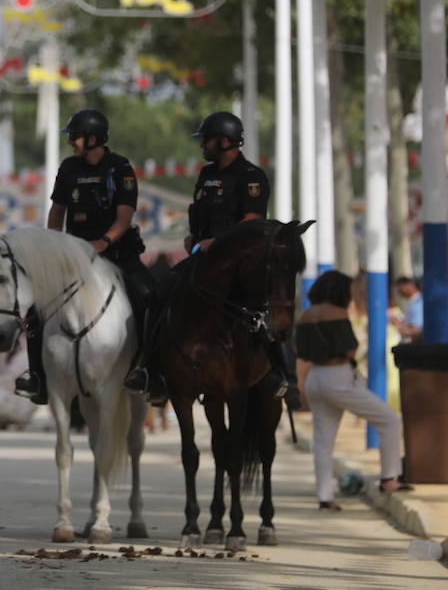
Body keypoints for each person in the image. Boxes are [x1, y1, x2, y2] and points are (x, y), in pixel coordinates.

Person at [133, 110, 286, 402]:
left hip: (240, 260)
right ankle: (150, 369)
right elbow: (199, 212)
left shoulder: (251, 176)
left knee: (271, 304)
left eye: (208, 140)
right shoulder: (207, 174)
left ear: (226, 141)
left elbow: (252, 221)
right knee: (162, 291)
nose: (203, 146)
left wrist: (216, 241)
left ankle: (283, 373)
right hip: (203, 257)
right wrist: (194, 235)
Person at [18, 108, 154, 406]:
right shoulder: (68, 168)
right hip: (73, 255)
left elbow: (125, 214)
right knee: (36, 309)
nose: (71, 143)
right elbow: (57, 210)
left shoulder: (120, 168)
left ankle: (146, 370)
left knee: (149, 296)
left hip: (117, 252)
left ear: (93, 138)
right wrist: (52, 243)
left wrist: (104, 241)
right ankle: (37, 376)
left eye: (75, 137)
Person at [296, 270, 409, 510]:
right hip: (339, 375)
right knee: (388, 420)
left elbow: (302, 353)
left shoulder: (305, 315)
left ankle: (325, 496)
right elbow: (349, 349)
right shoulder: (338, 313)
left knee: (323, 441)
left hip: (315, 378)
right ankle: (389, 478)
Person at [394, 276, 423, 342]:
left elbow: (415, 329)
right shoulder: (415, 302)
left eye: (399, 288)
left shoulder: (417, 304)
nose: (398, 292)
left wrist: (398, 327)